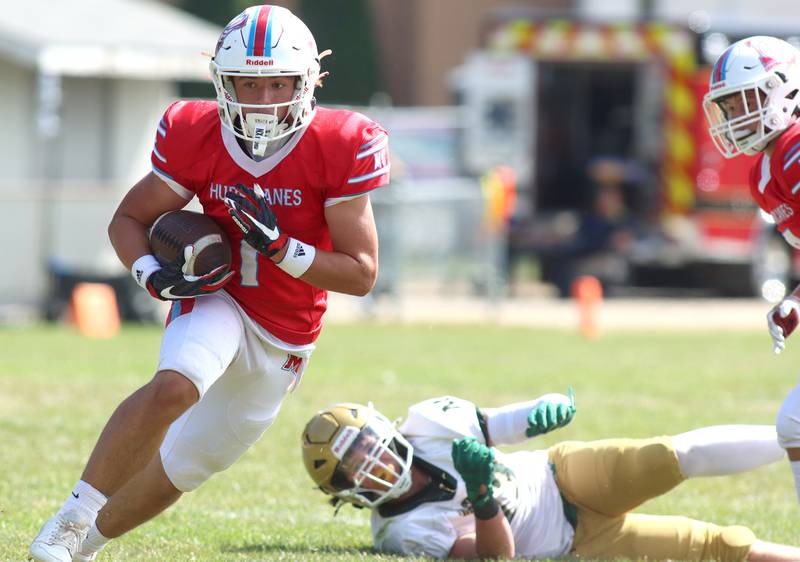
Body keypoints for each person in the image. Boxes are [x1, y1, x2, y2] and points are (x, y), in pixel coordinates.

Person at [29, 5, 390, 561]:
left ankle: (83, 547)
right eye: (248, 83)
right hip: (218, 295)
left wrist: (281, 248)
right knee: (177, 384)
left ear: (309, 82)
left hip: (287, 336)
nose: (264, 100)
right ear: (223, 82)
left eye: (278, 83)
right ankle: (71, 520)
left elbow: (362, 273)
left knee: (183, 467)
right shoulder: (197, 132)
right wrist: (150, 274)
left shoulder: (340, 142)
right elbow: (128, 220)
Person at [302, 391, 799, 560]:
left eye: (368, 446)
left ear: (385, 429)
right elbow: (498, 555)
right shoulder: (401, 532)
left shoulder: (428, 424)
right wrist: (480, 495)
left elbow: (503, 423)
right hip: (578, 542)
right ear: (344, 492)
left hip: (562, 475)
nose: (374, 463)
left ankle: (792, 438)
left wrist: (544, 409)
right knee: (723, 547)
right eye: (355, 467)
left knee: (670, 456)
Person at [703, 36, 800, 505]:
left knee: (795, 422)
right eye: (728, 105)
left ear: (783, 88)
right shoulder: (764, 172)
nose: (737, 115)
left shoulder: (792, 148)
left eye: (746, 99)